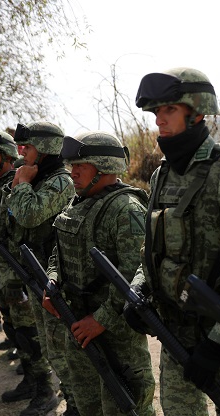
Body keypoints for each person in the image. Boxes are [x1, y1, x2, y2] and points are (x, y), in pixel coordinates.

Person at [129, 67, 220, 415]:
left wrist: (218, 344)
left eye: (169, 111)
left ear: (197, 112)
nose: (159, 122)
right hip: (175, 331)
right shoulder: (161, 175)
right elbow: (152, 248)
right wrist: (140, 288)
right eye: (156, 113)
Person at [44, 131, 155, 416]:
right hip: (79, 326)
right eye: (71, 166)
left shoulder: (126, 209)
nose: (73, 173)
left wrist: (100, 320)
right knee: (87, 406)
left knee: (127, 407)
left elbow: (136, 276)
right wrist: (52, 280)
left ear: (104, 166)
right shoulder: (76, 203)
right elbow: (59, 251)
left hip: (116, 335)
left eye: (81, 166)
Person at [6, 121, 77, 415]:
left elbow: (30, 215)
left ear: (46, 149)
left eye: (29, 147)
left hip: (56, 274)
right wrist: (20, 185)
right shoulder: (36, 178)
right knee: (50, 347)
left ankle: (76, 403)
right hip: (36, 270)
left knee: (63, 347)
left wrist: (21, 184)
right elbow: (12, 217)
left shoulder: (60, 181)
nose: (22, 152)